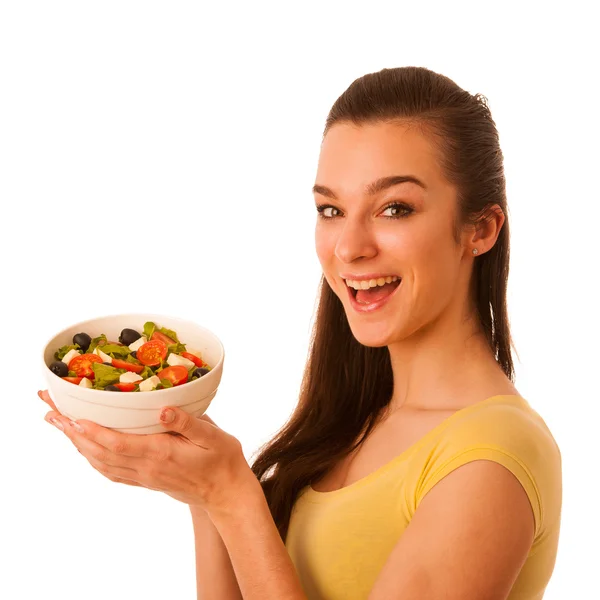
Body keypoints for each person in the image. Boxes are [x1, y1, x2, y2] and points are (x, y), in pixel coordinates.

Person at [39, 66, 562, 600]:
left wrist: (231, 495)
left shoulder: (492, 454)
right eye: (331, 210)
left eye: (394, 209)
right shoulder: (356, 420)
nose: (349, 247)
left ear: (480, 229)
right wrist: (199, 486)